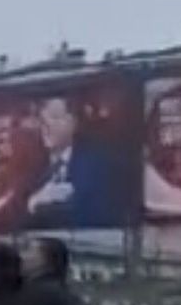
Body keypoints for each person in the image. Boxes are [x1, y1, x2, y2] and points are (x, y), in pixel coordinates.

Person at [25, 98, 115, 228]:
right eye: (42, 120)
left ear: (73, 123)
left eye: (54, 117)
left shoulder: (97, 165)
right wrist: (34, 203)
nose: (46, 126)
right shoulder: (30, 168)